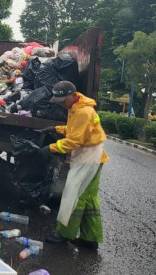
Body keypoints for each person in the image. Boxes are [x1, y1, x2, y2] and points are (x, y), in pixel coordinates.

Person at [38, 81, 109, 250]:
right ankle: (90, 238)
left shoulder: (83, 111)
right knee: (89, 198)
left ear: (73, 94)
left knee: (73, 194)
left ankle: (64, 234)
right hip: (94, 157)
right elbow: (76, 129)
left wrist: (51, 148)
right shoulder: (77, 107)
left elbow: (75, 140)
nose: (62, 104)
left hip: (88, 157)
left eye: (63, 100)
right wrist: (57, 129)